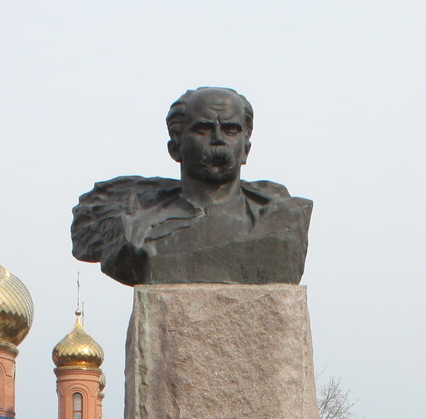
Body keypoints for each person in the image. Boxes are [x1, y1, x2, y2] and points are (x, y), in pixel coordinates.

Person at [72, 86, 313, 288]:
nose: (218, 139)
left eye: (231, 130)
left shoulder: (281, 220)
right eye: (203, 129)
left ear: (246, 148)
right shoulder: (137, 228)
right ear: (175, 148)